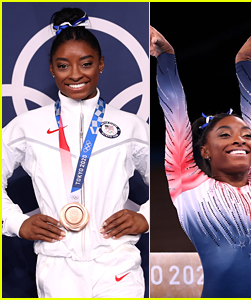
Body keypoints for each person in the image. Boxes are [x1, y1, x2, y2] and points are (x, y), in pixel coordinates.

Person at [2, 7, 148, 298]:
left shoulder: (130, 126)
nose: (76, 75)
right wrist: (17, 223)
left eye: (86, 63)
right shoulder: (27, 126)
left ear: (101, 64)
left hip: (117, 261)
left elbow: (177, 176)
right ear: (51, 68)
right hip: (58, 266)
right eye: (63, 65)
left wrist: (146, 216)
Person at [150, 22, 251, 298]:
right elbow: (175, 111)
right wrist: (166, 58)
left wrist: (244, 62)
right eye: (225, 135)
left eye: (246, 135)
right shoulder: (188, 184)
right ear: (204, 151)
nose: (240, 139)